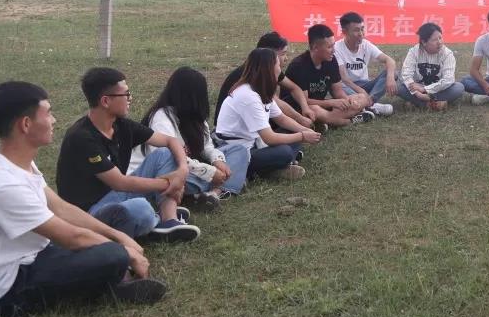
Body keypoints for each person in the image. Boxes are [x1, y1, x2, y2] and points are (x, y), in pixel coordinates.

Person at [0, 81, 166, 317]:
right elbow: (71, 237)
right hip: (13, 281)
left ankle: (113, 276)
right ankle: (114, 283)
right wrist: (124, 250)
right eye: (48, 113)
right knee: (113, 255)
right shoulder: (4, 184)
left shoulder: (13, 159)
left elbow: (61, 208)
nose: (54, 120)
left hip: (39, 250)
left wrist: (117, 235)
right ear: (26, 124)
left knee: (116, 220)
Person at [56, 68, 199, 243]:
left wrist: (182, 171)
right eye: (126, 94)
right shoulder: (82, 137)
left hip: (116, 196)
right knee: (140, 209)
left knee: (165, 153)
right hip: (89, 214)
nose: (130, 98)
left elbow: (170, 141)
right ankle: (151, 220)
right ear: (106, 101)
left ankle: (169, 220)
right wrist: (170, 183)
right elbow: (119, 182)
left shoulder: (120, 125)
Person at [128, 67, 250, 208]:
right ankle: (229, 182)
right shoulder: (162, 118)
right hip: (159, 173)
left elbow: (207, 146)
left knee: (238, 150)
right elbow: (170, 158)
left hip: (191, 167)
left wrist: (217, 160)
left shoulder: (195, 117)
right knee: (179, 179)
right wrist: (209, 173)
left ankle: (214, 193)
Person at [214, 48, 322, 180]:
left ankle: (275, 167)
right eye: (278, 65)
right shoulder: (248, 96)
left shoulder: (260, 89)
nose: (280, 69)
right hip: (239, 151)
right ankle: (262, 171)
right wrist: (302, 136)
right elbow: (269, 138)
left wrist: (305, 130)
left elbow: (281, 118)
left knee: (292, 133)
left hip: (256, 143)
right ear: (268, 70)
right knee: (285, 152)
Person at [215, 32, 319, 131]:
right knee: (290, 131)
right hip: (235, 129)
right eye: (283, 54)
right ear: (269, 55)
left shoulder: (268, 69)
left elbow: (294, 88)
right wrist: (300, 120)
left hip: (249, 121)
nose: (286, 58)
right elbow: (276, 104)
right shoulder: (252, 76)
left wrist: (305, 108)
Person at [283, 24, 373, 127]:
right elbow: (304, 101)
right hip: (299, 107)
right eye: (329, 47)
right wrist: (331, 103)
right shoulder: (299, 66)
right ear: (315, 47)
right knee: (315, 110)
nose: (334, 50)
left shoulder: (331, 60)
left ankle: (326, 121)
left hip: (323, 105)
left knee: (362, 97)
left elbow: (338, 92)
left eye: (334, 45)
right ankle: (348, 121)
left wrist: (348, 101)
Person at [333, 12, 396, 116]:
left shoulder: (366, 45)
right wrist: (361, 92)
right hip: (348, 87)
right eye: (356, 30)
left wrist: (390, 78)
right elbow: (344, 79)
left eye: (362, 29)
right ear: (344, 32)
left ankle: (368, 103)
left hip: (365, 85)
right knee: (338, 88)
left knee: (393, 73)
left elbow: (390, 60)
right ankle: (370, 106)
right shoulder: (337, 48)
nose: (361, 33)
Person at [398, 23, 464, 110]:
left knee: (458, 88)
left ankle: (420, 103)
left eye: (440, 38)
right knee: (399, 87)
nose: (439, 42)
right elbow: (406, 75)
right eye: (434, 40)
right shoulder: (413, 52)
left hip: (438, 89)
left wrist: (425, 90)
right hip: (417, 88)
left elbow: (448, 79)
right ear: (424, 42)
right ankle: (435, 103)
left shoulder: (447, 54)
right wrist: (417, 93)